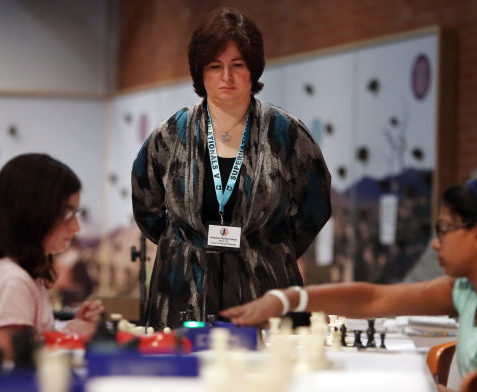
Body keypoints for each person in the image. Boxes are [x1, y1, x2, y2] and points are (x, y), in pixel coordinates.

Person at [221, 175, 477, 392]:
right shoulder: (467, 292)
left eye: (443, 229)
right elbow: (375, 299)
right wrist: (287, 299)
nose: (436, 242)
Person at [131, 7, 331, 330]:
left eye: (237, 65)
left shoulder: (287, 134)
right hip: (183, 290)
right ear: (200, 73)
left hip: (265, 287)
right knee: (181, 379)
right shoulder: (171, 134)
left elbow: (315, 206)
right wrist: (189, 244)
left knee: (267, 377)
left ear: (253, 70)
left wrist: (268, 246)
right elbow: (147, 207)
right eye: (215, 66)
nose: (227, 77)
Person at [0, 153, 103, 358]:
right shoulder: (14, 282)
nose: (76, 227)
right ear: (31, 215)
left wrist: (69, 328)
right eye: (68, 215)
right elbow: (12, 364)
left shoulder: (21, 274)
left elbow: (34, 340)